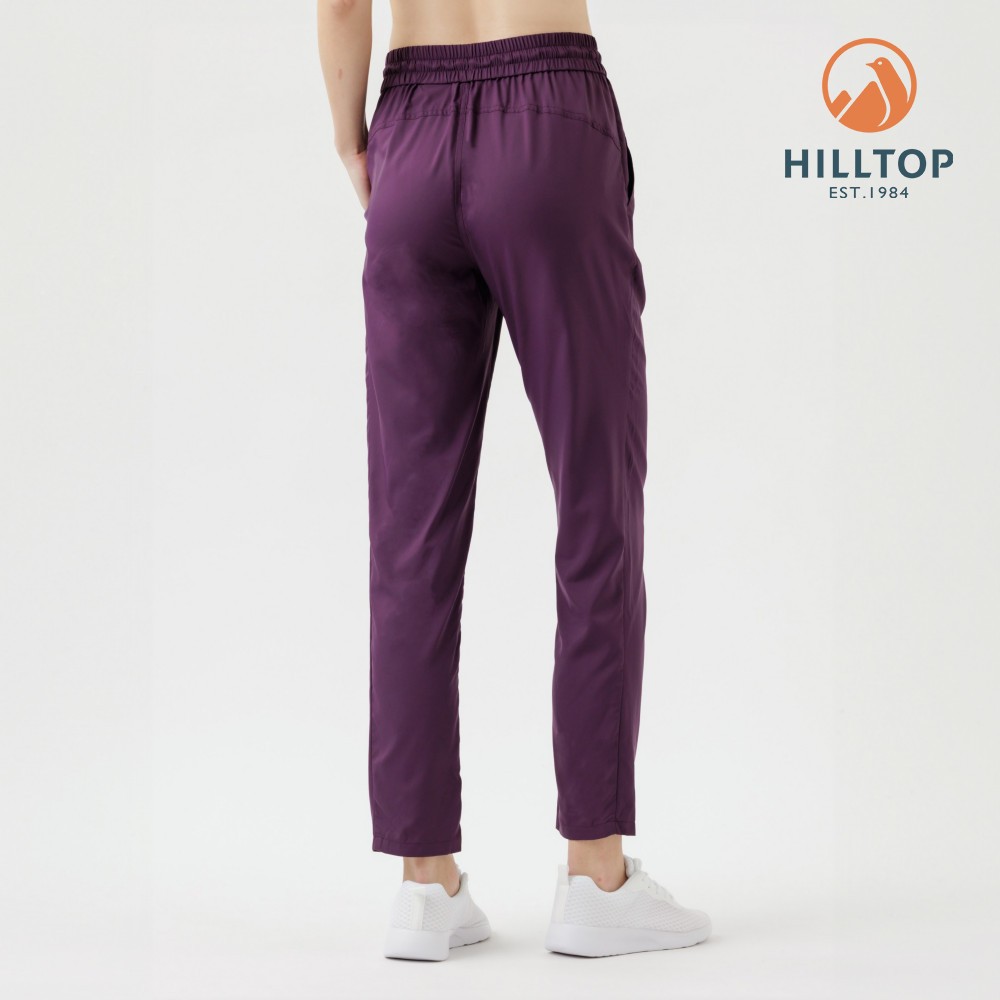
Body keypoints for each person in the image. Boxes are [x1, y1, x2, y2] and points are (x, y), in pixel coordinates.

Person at [317, 0, 712, 959]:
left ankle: (424, 886)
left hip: (408, 127)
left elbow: (340, 3)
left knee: (408, 532)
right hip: (550, 111)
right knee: (596, 503)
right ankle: (596, 876)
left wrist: (352, 140)